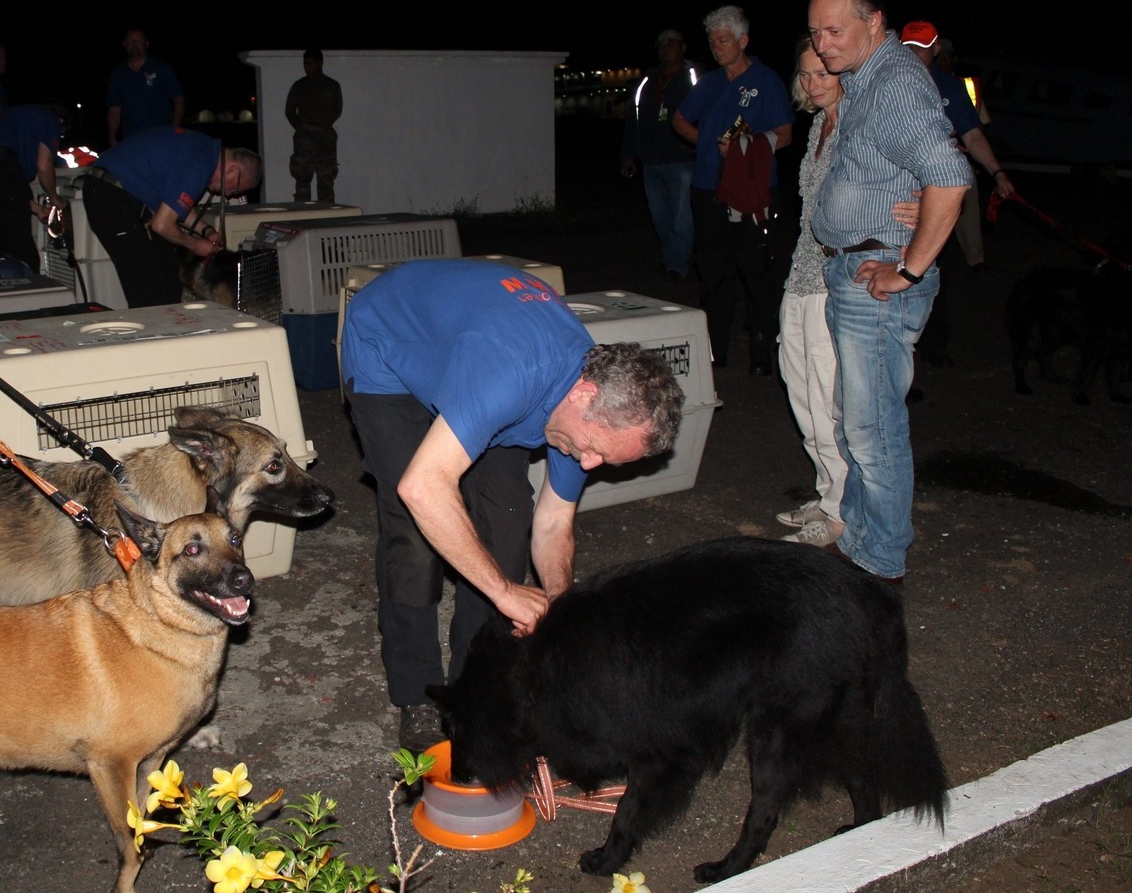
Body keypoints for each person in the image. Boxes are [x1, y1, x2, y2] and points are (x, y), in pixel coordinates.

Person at [338, 258, 685, 752]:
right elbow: (423, 486)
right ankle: (417, 694)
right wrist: (504, 591)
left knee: (508, 520)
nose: (588, 464)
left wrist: (559, 612)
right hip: (389, 353)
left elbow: (553, 523)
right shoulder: (513, 373)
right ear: (583, 396)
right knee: (415, 536)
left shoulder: (582, 412)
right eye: (595, 449)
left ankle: (472, 689)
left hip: (475, 363)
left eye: (604, 460)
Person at [806, 0, 971, 583]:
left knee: (873, 428)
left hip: (877, 279)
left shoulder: (895, 81)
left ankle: (880, 561)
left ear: (874, 21)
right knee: (858, 421)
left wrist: (910, 269)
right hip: (856, 267)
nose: (822, 45)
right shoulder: (867, 78)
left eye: (834, 30)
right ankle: (860, 538)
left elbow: (949, 177)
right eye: (815, 33)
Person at [672, 6, 794, 375]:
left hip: (751, 192)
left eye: (723, 40)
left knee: (757, 271)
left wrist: (746, 151)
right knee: (713, 272)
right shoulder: (709, 83)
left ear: (743, 40)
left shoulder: (766, 81)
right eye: (711, 41)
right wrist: (707, 143)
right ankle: (716, 351)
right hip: (708, 188)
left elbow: (786, 134)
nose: (716, 47)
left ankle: (761, 354)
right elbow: (679, 118)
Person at [902, 20, 1015, 368]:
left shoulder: (950, 86)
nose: (916, 54)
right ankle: (899, 347)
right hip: (897, 194)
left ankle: (932, 345)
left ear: (936, 49)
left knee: (935, 267)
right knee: (897, 265)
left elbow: (974, 136)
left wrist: (997, 172)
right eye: (909, 47)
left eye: (923, 47)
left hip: (937, 194)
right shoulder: (889, 83)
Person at [80, 125, 259, 307]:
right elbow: (162, 225)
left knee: (170, 273)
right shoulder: (199, 164)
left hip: (119, 195)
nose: (228, 194)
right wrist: (196, 245)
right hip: (110, 195)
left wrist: (206, 231)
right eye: (234, 189)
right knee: (150, 289)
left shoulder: (202, 151)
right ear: (234, 171)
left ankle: (167, 327)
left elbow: (174, 206)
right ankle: (154, 330)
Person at [619, 29, 699, 280]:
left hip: (682, 161)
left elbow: (709, 112)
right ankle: (671, 259)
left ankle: (678, 265)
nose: (666, 49)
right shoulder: (647, 81)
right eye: (661, 45)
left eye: (671, 44)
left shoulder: (695, 77)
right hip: (651, 160)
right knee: (659, 216)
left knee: (681, 217)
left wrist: (697, 141)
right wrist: (628, 154)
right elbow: (634, 118)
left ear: (683, 47)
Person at [0, 103, 67, 274]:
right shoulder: (49, 119)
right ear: (60, 121)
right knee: (20, 247)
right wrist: (54, 197)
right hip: (0, 166)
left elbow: (4, 191)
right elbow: (44, 165)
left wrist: (37, 209)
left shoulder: (14, 118)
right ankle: (30, 290)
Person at [106, 27, 183, 147]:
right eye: (131, 41)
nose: (134, 44)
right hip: (131, 140)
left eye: (139, 40)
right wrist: (112, 138)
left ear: (146, 44)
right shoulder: (118, 74)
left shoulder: (162, 68)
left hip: (161, 138)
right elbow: (114, 110)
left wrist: (174, 129)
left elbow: (178, 100)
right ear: (125, 44)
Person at [285, 48, 342, 203]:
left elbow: (337, 110)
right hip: (305, 138)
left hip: (325, 136)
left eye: (310, 63)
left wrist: (323, 125)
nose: (307, 66)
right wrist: (302, 128)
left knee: (326, 179)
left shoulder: (332, 86)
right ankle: (303, 215)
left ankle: (327, 217)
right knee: (303, 179)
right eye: (305, 63)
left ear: (320, 63)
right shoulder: (299, 86)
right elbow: (290, 111)